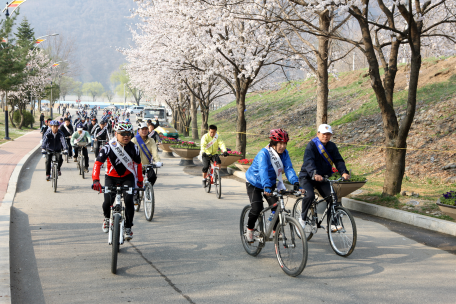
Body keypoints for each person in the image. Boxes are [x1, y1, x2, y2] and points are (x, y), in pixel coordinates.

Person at [244, 129, 303, 242]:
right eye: (280, 143)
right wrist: (266, 186)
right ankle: (250, 229)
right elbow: (263, 170)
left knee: (277, 207)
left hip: (269, 183)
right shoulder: (264, 153)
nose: (282, 146)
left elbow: (289, 168)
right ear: (273, 144)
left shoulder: (284, 154)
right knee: (257, 208)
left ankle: (276, 232)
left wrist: (295, 183)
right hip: (254, 182)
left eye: (284, 143)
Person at [91, 121, 143, 240]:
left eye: (129, 134)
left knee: (129, 200)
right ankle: (107, 218)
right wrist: (95, 180)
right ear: (116, 133)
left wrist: (139, 181)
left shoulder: (134, 148)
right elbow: (98, 163)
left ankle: (128, 227)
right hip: (111, 177)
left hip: (127, 178)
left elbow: (138, 165)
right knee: (107, 201)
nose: (126, 136)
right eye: (122, 133)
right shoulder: (108, 147)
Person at [298, 124, 350, 232]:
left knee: (332, 197)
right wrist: (314, 173)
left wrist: (343, 172)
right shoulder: (312, 145)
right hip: (307, 177)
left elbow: (338, 160)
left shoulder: (332, 146)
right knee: (310, 195)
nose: (325, 136)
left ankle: (332, 224)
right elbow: (309, 161)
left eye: (328, 134)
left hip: (322, 178)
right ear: (318, 134)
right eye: (323, 134)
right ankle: (302, 220)